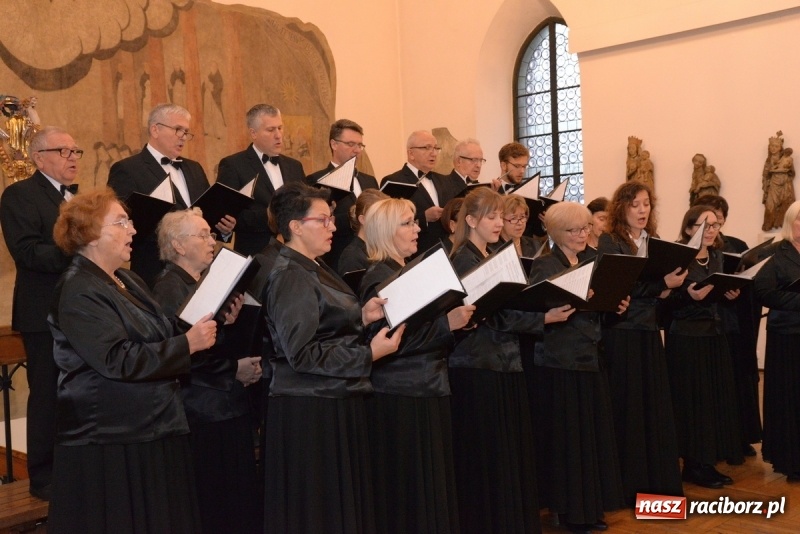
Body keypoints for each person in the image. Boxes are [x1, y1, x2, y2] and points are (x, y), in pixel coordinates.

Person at [46, 188, 218, 533]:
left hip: (150, 426)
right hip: (111, 438)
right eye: (121, 222)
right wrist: (186, 345)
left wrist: (205, 324)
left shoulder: (125, 278)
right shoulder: (78, 288)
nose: (133, 231)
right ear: (91, 234)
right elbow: (115, 359)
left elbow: (162, 329)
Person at [262, 182, 405, 534]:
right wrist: (369, 353)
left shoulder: (312, 265)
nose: (334, 227)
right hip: (311, 409)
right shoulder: (290, 275)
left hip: (332, 400)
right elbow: (302, 353)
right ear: (295, 226)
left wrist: (363, 316)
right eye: (323, 220)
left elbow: (323, 324)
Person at [359, 197, 475, 534]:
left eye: (415, 221)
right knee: (410, 488)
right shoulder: (379, 278)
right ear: (385, 232)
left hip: (426, 386)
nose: (417, 229)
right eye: (407, 223)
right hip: (403, 394)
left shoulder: (400, 270)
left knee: (430, 483)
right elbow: (394, 342)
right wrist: (446, 325)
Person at [448, 187, 553, 534]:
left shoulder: (492, 253)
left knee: (507, 450)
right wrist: (543, 319)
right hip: (478, 365)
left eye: (499, 216)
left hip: (502, 360)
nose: (498, 223)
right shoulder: (464, 258)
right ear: (472, 220)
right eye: (491, 217)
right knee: (488, 453)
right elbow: (488, 316)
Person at [151, 208, 262, 534]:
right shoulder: (170, 287)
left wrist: (230, 325)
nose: (211, 240)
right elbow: (183, 352)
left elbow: (212, 341)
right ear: (179, 246)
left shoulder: (200, 283)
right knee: (216, 501)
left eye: (209, 233)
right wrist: (233, 368)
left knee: (237, 498)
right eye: (202, 234)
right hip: (202, 411)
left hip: (223, 404)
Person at [529, 201, 627, 533]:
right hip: (560, 361)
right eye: (574, 230)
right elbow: (541, 310)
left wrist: (616, 304)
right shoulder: (544, 266)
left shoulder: (594, 260)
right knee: (568, 439)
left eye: (586, 228)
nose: (583, 235)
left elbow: (601, 305)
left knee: (592, 435)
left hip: (590, 355)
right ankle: (568, 510)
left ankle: (590, 506)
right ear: (557, 232)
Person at [0, 126, 79, 500]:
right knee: (47, 393)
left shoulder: (80, 198)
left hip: (81, 310)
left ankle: (79, 463)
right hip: (42, 312)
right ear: (38, 157)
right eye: (64, 151)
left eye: (76, 151)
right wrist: (80, 246)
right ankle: (43, 475)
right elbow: (28, 253)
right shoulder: (19, 195)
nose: (73, 157)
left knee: (80, 391)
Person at [598, 181, 685, 505]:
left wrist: (666, 289)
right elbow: (621, 285)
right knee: (628, 406)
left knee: (652, 407)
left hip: (648, 332)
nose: (642, 210)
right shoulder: (610, 241)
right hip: (621, 332)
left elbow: (651, 290)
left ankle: (656, 482)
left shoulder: (656, 241)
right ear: (621, 208)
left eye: (646, 203)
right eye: (635, 204)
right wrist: (660, 285)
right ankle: (627, 484)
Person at [108, 103, 236, 287]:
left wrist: (224, 229)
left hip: (198, 273)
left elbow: (206, 213)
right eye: (178, 130)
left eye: (186, 132)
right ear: (155, 129)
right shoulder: (127, 169)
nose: (183, 137)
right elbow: (121, 223)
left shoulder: (194, 168)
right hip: (155, 271)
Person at [665, 205, 743, 489]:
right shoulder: (678, 257)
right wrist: (688, 295)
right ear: (688, 229)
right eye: (703, 225)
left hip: (714, 335)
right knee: (692, 402)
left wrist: (730, 294)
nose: (710, 231)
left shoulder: (717, 256)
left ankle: (707, 461)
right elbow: (665, 303)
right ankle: (693, 464)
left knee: (712, 401)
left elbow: (715, 294)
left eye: (714, 226)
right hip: (686, 338)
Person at [693, 194, 763, 460]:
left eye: (719, 220)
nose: (715, 225)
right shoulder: (699, 252)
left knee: (738, 381)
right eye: (710, 219)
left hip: (733, 321)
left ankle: (742, 436)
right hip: (709, 322)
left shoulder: (737, 245)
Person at [216, 103, 305, 255]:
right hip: (257, 255)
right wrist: (274, 215)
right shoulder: (233, 165)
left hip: (295, 254)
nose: (278, 135)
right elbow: (229, 217)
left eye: (280, 128)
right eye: (270, 130)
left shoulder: (294, 166)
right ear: (253, 133)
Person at [754, 200, 800, 481]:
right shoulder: (775, 253)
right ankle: (792, 461)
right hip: (787, 336)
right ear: (790, 223)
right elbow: (763, 292)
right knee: (790, 400)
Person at [307, 119, 379, 270]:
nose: (357, 150)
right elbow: (315, 225)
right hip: (338, 260)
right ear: (334, 144)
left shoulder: (369, 180)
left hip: (374, 257)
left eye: (360, 145)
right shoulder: (317, 181)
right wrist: (355, 217)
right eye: (351, 144)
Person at [382, 130, 463, 252]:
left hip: (446, 250)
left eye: (436, 148)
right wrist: (424, 217)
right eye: (427, 148)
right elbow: (389, 223)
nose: (434, 153)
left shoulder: (444, 180)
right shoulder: (394, 181)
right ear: (411, 154)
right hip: (415, 252)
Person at [336, 188, 389, 276]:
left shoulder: (384, 246)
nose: (387, 222)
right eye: (380, 217)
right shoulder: (351, 257)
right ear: (363, 219)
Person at [762, 131, 796, 231]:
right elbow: (766, 174)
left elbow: (791, 171)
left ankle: (783, 225)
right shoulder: (768, 160)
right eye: (771, 146)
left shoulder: (786, 158)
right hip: (773, 183)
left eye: (776, 146)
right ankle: (768, 224)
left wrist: (786, 170)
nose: (773, 148)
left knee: (785, 203)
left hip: (784, 183)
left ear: (780, 147)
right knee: (770, 204)